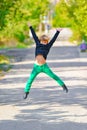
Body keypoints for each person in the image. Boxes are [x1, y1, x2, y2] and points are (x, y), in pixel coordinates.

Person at [23, 22, 68, 99]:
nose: (43, 43)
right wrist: (30, 27)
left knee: (53, 76)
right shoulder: (38, 44)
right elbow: (34, 35)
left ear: (46, 42)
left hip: (44, 66)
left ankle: (63, 86)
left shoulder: (48, 46)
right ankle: (26, 92)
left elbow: (53, 40)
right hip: (36, 67)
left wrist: (57, 32)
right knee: (30, 79)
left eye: (45, 42)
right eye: (42, 41)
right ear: (40, 41)